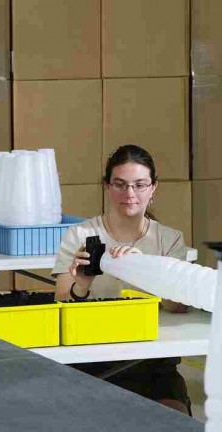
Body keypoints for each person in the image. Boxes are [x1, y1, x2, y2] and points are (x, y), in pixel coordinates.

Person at [52, 144, 191, 415]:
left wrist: (144, 267)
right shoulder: (80, 235)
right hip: (92, 354)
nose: (129, 194)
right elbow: (61, 299)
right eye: (120, 184)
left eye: (139, 185)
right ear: (107, 186)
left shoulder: (169, 239)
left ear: (153, 187)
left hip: (151, 358)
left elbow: (178, 305)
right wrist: (82, 284)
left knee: (175, 418)